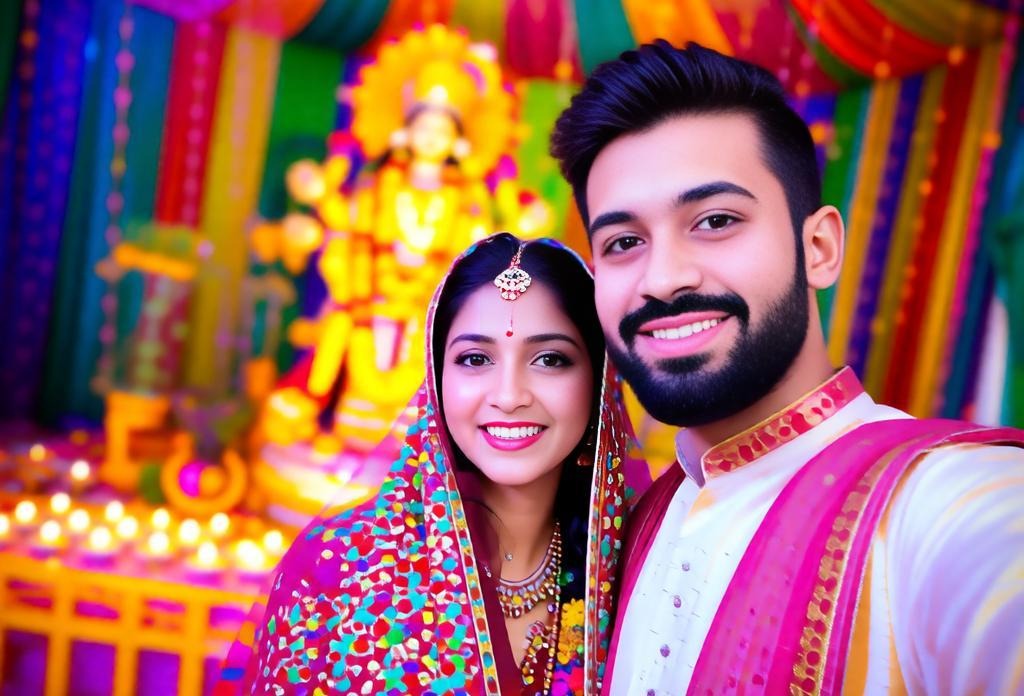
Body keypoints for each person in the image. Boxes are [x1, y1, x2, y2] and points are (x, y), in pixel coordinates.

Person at [550, 40, 1024, 694]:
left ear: (820, 247)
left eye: (715, 220)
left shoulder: (946, 499)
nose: (662, 279)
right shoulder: (629, 529)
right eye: (625, 242)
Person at [215, 233, 644, 695]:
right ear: (436, 381)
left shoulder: (640, 577)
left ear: (600, 380)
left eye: (549, 359)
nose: (508, 396)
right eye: (475, 359)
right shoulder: (332, 573)